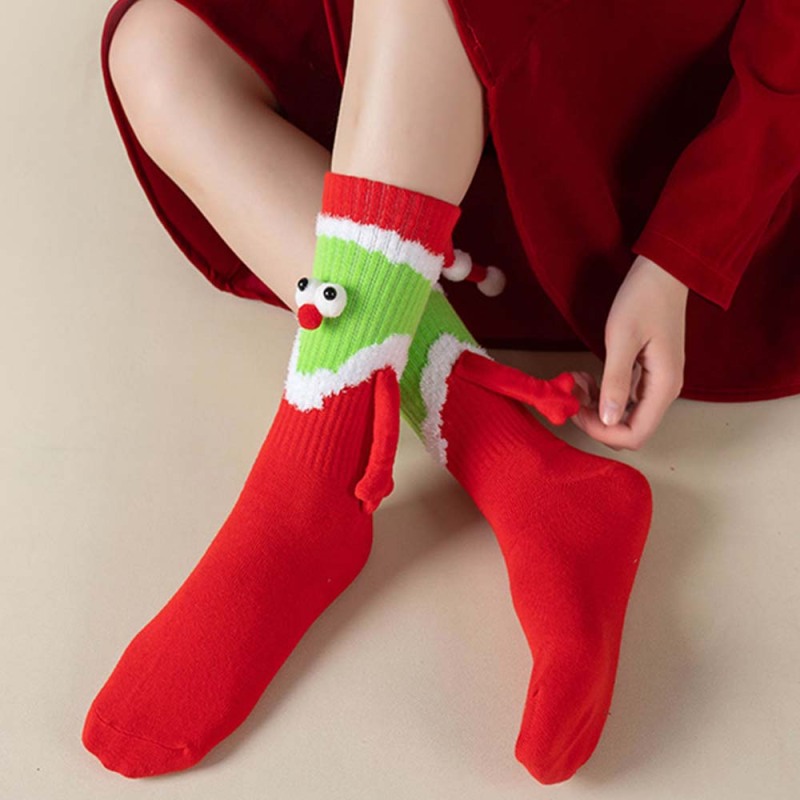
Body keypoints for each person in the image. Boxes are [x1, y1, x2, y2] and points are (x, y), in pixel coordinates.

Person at [81, 0, 800, 785]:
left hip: (628, 137)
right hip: (426, 125)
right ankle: (522, 472)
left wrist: (682, 256)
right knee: (161, 52)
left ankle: (311, 478)